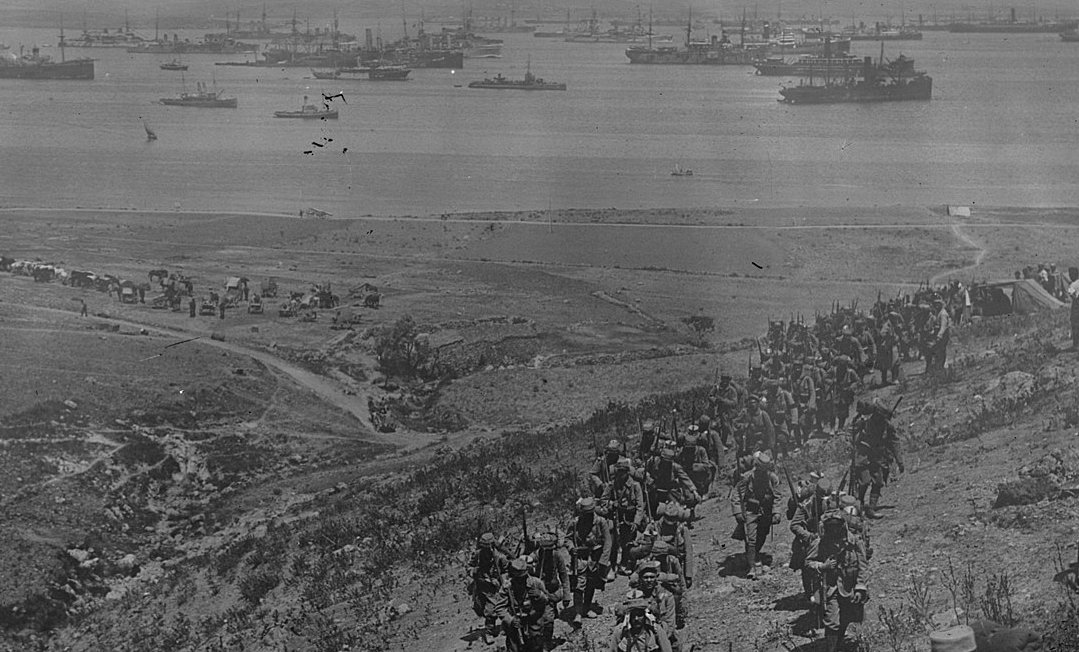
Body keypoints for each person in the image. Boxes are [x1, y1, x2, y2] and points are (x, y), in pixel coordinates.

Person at [805, 511, 870, 652]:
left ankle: (838, 643)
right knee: (832, 621)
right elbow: (808, 563)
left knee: (846, 618)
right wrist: (822, 566)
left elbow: (862, 566)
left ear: (842, 526)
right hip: (829, 588)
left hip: (850, 587)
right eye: (830, 527)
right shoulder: (820, 543)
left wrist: (860, 587)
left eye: (837, 526)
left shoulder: (854, 542)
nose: (834, 530)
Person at [731, 452, 782, 578]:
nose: (762, 472)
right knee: (751, 538)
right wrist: (738, 512)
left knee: (762, 534)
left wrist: (776, 512)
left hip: (766, 511)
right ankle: (752, 566)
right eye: (760, 469)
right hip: (751, 510)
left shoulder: (772, 478)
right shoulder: (747, 477)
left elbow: (777, 496)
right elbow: (737, 494)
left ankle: (754, 554)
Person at [851, 400, 904, 519]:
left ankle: (871, 508)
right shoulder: (864, 423)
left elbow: (895, 442)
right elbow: (853, 436)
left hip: (876, 457)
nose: (880, 418)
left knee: (878, 481)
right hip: (863, 456)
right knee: (864, 481)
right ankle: (859, 503)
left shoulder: (887, 425)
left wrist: (899, 461)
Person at [569, 497, 613, 626]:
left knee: (591, 584)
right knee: (579, 585)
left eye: (589, 513)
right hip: (581, 558)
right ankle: (577, 612)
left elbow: (608, 542)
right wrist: (572, 548)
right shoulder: (575, 523)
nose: (587, 516)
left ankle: (586, 608)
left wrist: (603, 561)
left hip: (595, 557)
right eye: (585, 513)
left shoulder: (601, 522)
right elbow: (567, 539)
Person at [600, 458, 648, 576]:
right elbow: (603, 500)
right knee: (613, 542)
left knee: (628, 542)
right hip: (616, 517)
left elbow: (640, 506)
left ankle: (626, 562)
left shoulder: (635, 486)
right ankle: (612, 565)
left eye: (623, 472)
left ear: (627, 472)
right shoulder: (612, 485)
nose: (620, 475)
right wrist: (611, 504)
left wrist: (636, 523)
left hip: (630, 518)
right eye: (618, 472)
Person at [495, 557, 552, 652]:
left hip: (534, 620)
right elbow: (500, 608)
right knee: (514, 647)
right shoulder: (507, 587)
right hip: (515, 622)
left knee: (535, 646)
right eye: (517, 578)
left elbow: (547, 601)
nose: (520, 581)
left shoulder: (536, 583)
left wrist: (540, 595)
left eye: (522, 577)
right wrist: (510, 620)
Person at [790, 478, 833, 603]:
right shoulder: (806, 505)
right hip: (809, 540)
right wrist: (808, 536)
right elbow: (794, 525)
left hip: (828, 536)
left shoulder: (833, 501)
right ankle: (809, 594)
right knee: (807, 566)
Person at [627, 563, 679, 652]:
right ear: (640, 578)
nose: (649, 580)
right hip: (639, 635)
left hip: (661, 635)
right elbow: (624, 612)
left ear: (656, 578)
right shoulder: (635, 595)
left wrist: (659, 638)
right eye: (645, 577)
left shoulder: (666, 596)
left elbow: (670, 623)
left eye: (652, 577)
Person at [469, 532, 509, 643]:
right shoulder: (477, 555)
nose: (486, 550)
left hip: (495, 587)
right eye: (484, 547)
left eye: (488, 547)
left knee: (493, 609)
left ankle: (491, 631)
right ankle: (491, 630)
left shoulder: (499, 557)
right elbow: (469, 566)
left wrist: (501, 579)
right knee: (482, 609)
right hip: (482, 586)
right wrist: (473, 571)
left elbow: (506, 571)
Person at [607, 598, 672, 652]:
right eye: (633, 615)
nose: (636, 618)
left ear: (645, 616)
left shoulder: (655, 630)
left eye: (639, 615)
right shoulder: (620, 631)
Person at [925, 296, 952, 374]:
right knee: (939, 352)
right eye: (935, 304)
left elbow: (943, 327)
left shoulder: (943, 314)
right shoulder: (938, 313)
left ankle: (940, 368)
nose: (936, 306)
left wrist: (939, 336)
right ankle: (938, 368)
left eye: (938, 304)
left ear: (941, 304)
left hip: (943, 336)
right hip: (939, 335)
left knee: (940, 352)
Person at [1068, 267, 1079, 350]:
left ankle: (1076, 345)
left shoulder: (1073, 284)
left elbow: (1072, 296)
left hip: (1076, 306)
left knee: (1075, 324)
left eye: (1071, 274)